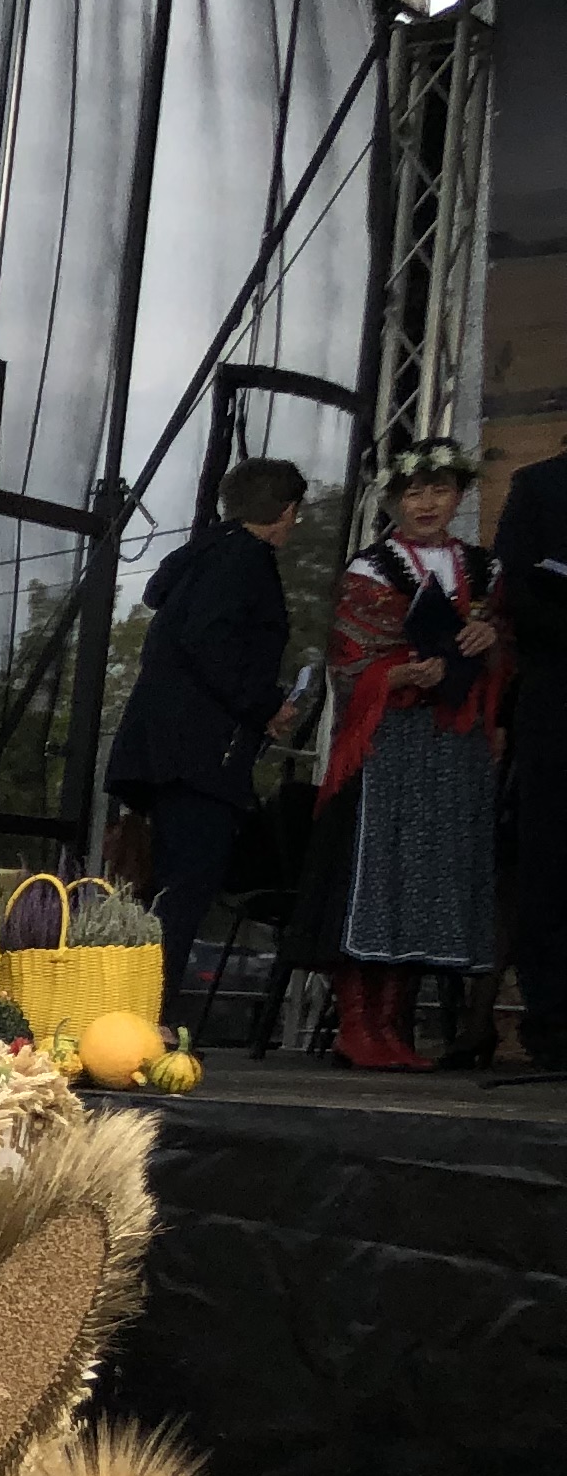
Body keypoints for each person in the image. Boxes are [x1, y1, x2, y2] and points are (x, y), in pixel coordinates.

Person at [321, 437, 514, 1070]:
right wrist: (401, 674)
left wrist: (488, 640)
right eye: (414, 492)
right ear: (395, 501)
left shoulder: (485, 570)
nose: (428, 503)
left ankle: (393, 1026)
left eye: (441, 490)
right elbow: (348, 660)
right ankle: (358, 1025)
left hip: (455, 746)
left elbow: (508, 654)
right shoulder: (371, 569)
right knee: (382, 871)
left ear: (459, 496)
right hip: (391, 745)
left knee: (429, 878)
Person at [106, 456, 305, 980]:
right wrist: (264, 703)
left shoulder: (204, 555)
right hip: (200, 755)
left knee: (167, 885)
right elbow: (210, 642)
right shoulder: (245, 560)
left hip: (165, 750)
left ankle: (137, 1001)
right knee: (185, 885)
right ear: (286, 511)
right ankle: (148, 1006)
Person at [495, 445, 567, 1067]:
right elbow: (515, 589)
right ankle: (553, 1024)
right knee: (552, 857)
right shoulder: (540, 486)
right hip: (557, 696)